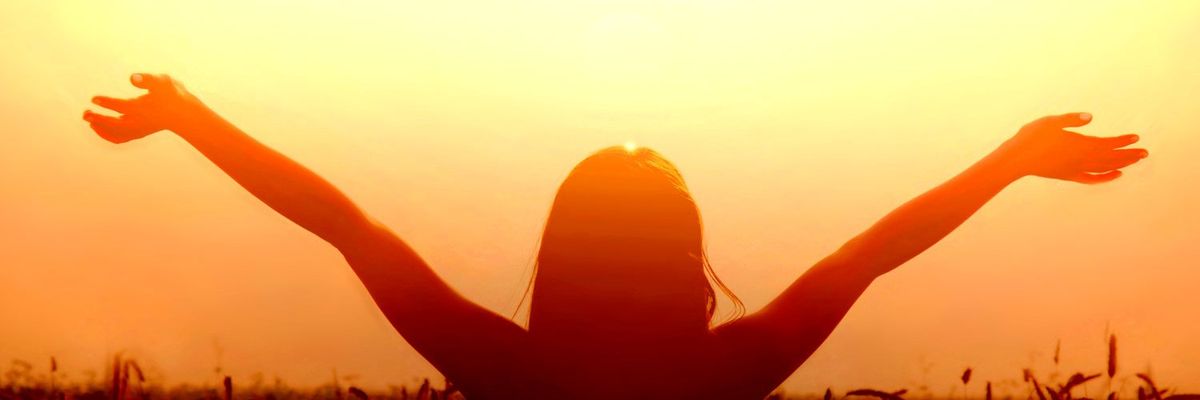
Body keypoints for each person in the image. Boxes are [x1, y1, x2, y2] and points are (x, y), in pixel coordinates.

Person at [83, 73, 1148, 400]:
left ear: (561, 254)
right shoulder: (732, 371)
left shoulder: (502, 366)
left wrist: (196, 120)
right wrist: (1006, 162)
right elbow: (871, 251)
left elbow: (342, 225)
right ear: (685, 261)